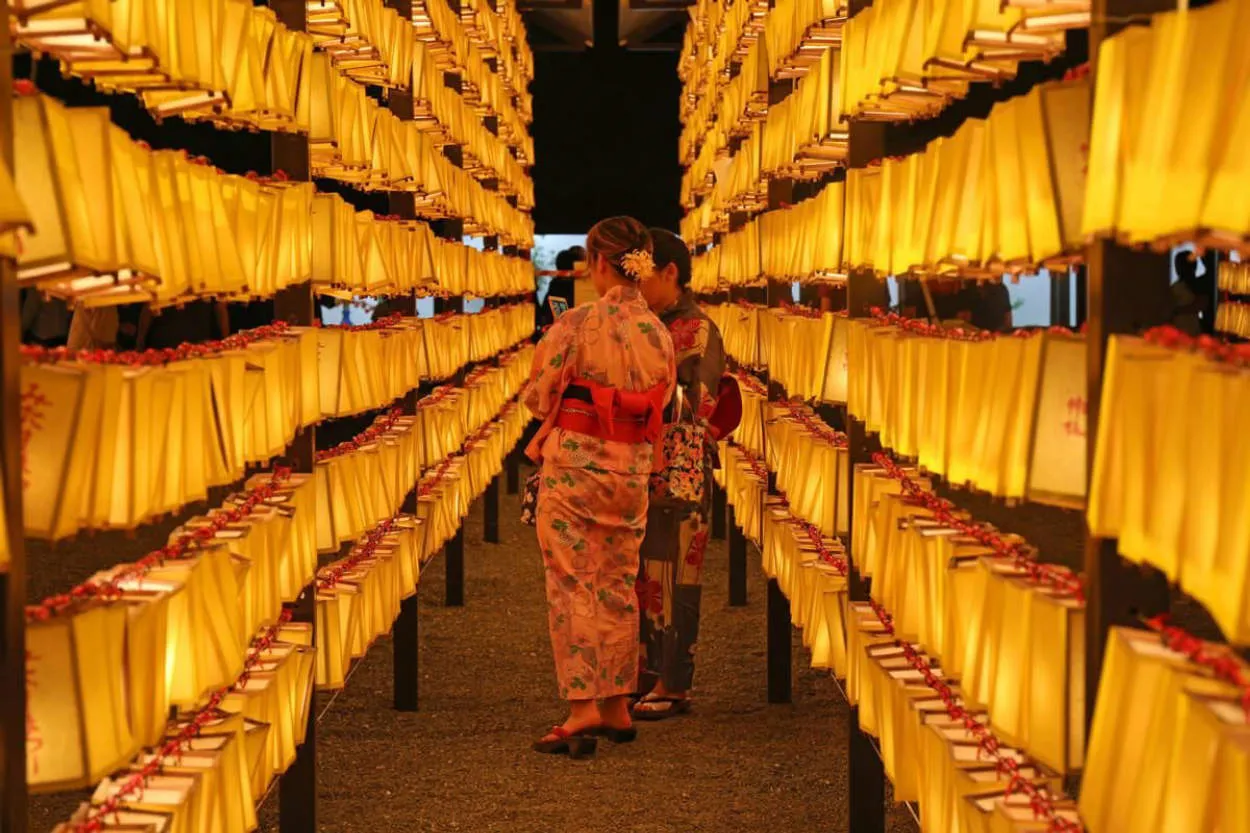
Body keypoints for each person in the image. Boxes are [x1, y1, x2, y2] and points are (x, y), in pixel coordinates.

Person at [523, 217, 676, 758]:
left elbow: (541, 395)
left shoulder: (578, 324)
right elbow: (667, 398)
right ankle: (617, 702)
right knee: (616, 580)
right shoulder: (658, 331)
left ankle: (583, 705)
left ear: (600, 264)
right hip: (631, 468)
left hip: (577, 469)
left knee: (572, 584)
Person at [632, 228, 727, 720]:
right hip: (641, 459)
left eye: (642, 274)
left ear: (670, 273)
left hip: (681, 461)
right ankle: (645, 672)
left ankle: (674, 683)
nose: (636, 284)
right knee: (643, 572)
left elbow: (699, 402)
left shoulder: (697, 329)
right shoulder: (645, 322)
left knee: (677, 575)